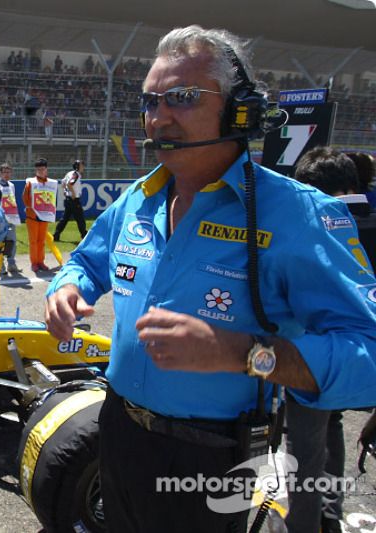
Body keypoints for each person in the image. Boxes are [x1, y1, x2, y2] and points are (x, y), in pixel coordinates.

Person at [45, 25, 376, 532]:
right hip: (117, 433)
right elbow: (86, 262)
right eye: (151, 101)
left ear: (240, 110)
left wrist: (244, 354)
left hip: (210, 457)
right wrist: (65, 288)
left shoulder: (300, 214)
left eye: (181, 98)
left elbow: (368, 357)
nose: (158, 116)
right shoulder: (138, 198)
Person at [288, 146, 364, 533]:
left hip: (320, 359)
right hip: (347, 359)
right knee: (326, 433)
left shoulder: (310, 225)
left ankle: (312, 524)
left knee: (305, 454)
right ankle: (327, 516)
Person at [23, 158, 57, 273]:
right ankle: (34, 263)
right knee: (33, 241)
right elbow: (25, 199)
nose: (40, 171)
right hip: (32, 217)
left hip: (44, 216)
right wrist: (35, 209)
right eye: (38, 169)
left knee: (41, 241)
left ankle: (41, 262)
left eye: (42, 169)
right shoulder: (30, 183)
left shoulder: (52, 184)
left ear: (46, 169)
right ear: (35, 170)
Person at [0, 163, 22, 275]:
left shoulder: (11, 185)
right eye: (4, 172)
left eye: (9, 172)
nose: (7, 174)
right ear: (0, 173)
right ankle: (0, 265)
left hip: (11, 218)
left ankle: (11, 264)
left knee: (11, 241)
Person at [53, 159, 87, 241]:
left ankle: (56, 234)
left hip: (68, 199)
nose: (83, 167)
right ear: (78, 166)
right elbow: (69, 184)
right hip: (74, 200)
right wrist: (74, 194)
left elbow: (63, 182)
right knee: (80, 218)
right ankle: (84, 235)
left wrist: (65, 191)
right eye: (82, 165)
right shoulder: (76, 174)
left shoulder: (70, 173)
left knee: (65, 218)